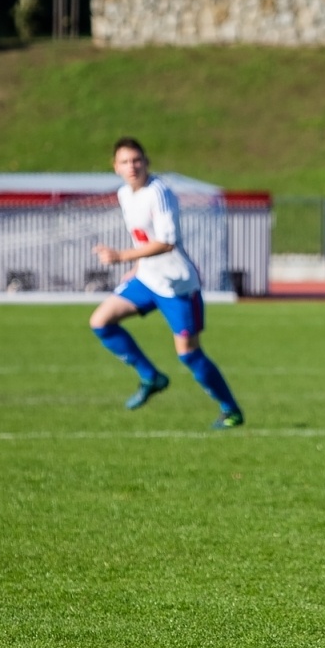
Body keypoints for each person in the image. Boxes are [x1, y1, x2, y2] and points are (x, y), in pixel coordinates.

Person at [89, 137, 243, 429]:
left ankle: (231, 410)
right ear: (115, 167)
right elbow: (142, 237)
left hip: (177, 286)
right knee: (101, 321)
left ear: (147, 162)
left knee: (188, 354)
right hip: (147, 279)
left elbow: (167, 242)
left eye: (137, 160)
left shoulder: (159, 192)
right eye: (125, 161)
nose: (132, 166)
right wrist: (136, 266)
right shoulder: (125, 195)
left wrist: (122, 256)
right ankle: (151, 377)